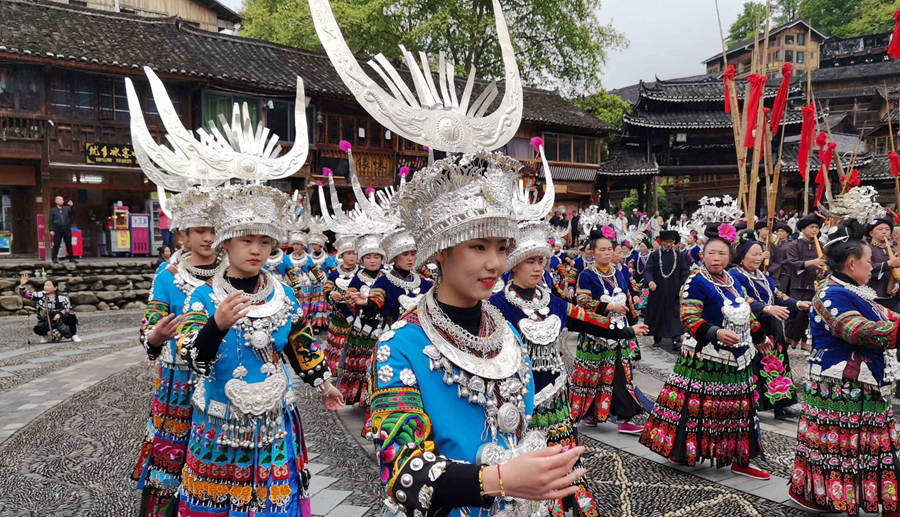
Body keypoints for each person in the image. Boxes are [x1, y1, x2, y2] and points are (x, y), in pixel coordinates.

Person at [367, 149, 587, 517]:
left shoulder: (506, 336)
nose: (495, 264)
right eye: (478, 246)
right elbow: (402, 475)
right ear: (441, 251)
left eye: (502, 248)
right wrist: (499, 480)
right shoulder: (400, 346)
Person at [175, 183, 343, 516]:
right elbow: (191, 356)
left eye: (264, 242)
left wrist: (324, 383)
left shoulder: (283, 295)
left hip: (273, 423)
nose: (257, 250)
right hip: (219, 423)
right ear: (226, 243)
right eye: (247, 240)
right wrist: (217, 325)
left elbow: (301, 344)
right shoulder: (204, 298)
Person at [491, 220, 648, 516]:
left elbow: (587, 319)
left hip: (556, 401)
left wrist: (626, 330)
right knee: (525, 464)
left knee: (564, 461)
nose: (537, 268)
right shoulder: (496, 306)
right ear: (514, 264)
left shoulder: (553, 302)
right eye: (530, 262)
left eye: (541, 261)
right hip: (517, 403)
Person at [639, 223, 770, 480]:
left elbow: (744, 314)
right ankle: (683, 451)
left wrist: (760, 335)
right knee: (696, 409)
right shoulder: (696, 281)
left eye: (722, 254)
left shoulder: (733, 281)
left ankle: (741, 457)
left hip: (737, 360)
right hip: (705, 358)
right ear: (702, 255)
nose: (716, 258)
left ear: (729, 256)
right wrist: (715, 332)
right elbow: (688, 316)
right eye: (711, 253)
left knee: (741, 411)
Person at [788, 219, 900, 516]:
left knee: (860, 447)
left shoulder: (857, 292)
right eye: (868, 260)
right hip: (841, 387)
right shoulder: (830, 293)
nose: (872, 265)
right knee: (839, 447)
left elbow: (889, 316)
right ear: (852, 264)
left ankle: (837, 496)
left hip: (863, 385)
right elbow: (854, 328)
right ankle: (829, 496)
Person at [131, 188, 225, 517]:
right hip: (178, 380)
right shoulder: (168, 277)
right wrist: (155, 337)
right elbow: (151, 325)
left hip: (222, 378)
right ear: (183, 235)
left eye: (214, 230)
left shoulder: (232, 275)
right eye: (201, 230)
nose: (209, 238)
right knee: (173, 452)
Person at [570, 227, 645, 433]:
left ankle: (625, 417)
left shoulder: (618, 272)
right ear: (592, 252)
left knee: (620, 372)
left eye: (609, 249)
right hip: (595, 332)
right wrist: (609, 307)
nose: (606, 253)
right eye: (602, 250)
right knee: (593, 374)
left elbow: (629, 296)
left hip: (618, 331)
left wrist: (632, 319)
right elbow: (582, 301)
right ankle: (590, 413)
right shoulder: (586, 275)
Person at [729, 230, 809, 420]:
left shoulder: (762, 275)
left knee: (778, 363)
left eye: (760, 254)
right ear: (741, 256)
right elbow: (741, 298)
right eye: (754, 254)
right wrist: (766, 308)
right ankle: (754, 403)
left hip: (773, 326)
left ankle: (782, 404)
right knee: (754, 364)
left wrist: (797, 303)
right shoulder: (734, 275)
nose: (759, 258)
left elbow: (777, 294)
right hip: (751, 324)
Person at [336, 233, 385, 406]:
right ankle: (363, 396)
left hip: (384, 326)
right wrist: (354, 300)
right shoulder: (357, 278)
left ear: (382, 258)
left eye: (377, 257)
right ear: (362, 260)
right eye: (368, 257)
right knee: (362, 362)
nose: (372, 261)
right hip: (363, 327)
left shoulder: (387, 277)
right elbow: (349, 299)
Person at [784, 214, 826, 351]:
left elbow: (826, 264)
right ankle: (790, 337)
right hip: (797, 283)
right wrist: (813, 262)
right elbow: (792, 263)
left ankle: (803, 340)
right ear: (803, 229)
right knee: (795, 314)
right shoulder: (794, 245)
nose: (814, 230)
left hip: (814, 284)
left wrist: (821, 272)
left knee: (809, 315)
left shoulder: (821, 245)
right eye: (811, 227)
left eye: (817, 228)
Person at [643, 229, 690, 350]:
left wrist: (684, 285)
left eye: (671, 242)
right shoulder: (654, 255)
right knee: (658, 314)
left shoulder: (680, 256)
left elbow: (685, 272)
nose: (668, 244)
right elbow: (648, 270)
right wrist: (650, 281)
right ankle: (657, 338)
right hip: (658, 291)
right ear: (661, 241)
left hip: (674, 290)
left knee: (674, 314)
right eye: (666, 242)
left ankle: (676, 339)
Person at [323, 235, 359, 376]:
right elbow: (327, 288)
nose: (352, 257)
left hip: (357, 317)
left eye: (354, 253)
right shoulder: (334, 274)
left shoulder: (362, 273)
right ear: (342, 255)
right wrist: (331, 294)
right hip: (339, 317)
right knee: (337, 345)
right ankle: (335, 370)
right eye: (349, 253)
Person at [17, 273, 79, 343]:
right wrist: (22, 285)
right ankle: (45, 336)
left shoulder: (62, 297)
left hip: (61, 320)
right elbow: (27, 295)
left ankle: (74, 334)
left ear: (55, 288)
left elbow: (68, 309)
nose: (45, 287)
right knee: (38, 328)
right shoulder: (40, 295)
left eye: (48, 285)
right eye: (45, 285)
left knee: (71, 315)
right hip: (47, 319)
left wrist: (60, 314)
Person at [865, 216, 900, 312]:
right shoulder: (866, 249)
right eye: (880, 229)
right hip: (875, 292)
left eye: (887, 229)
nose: (884, 232)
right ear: (871, 233)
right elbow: (866, 268)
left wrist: (897, 282)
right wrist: (887, 264)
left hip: (893, 295)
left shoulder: (893, 249)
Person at [49, 195, 76, 263]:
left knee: (68, 243)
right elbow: (50, 220)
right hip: (57, 229)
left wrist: (72, 206)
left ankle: (71, 258)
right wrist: (51, 229)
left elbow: (73, 214)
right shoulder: (53, 210)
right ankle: (54, 258)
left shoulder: (67, 208)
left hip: (66, 228)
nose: (62, 201)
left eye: (62, 200)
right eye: (60, 199)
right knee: (57, 244)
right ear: (56, 201)